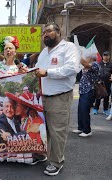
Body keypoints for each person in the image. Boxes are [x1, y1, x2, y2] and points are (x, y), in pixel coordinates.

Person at [0, 36, 42, 165]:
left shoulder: (21, 66)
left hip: (16, 106)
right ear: (3, 52)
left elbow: (30, 82)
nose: (8, 51)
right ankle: (0, 153)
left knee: (18, 128)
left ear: (15, 51)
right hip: (2, 105)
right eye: (6, 49)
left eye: (11, 48)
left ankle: (19, 154)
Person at [34, 23, 80, 176]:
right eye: (44, 33)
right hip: (42, 97)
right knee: (42, 130)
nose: (45, 34)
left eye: (49, 31)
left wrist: (47, 72)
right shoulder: (43, 53)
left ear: (58, 32)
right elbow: (37, 71)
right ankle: (42, 154)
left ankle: (56, 162)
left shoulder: (69, 48)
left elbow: (72, 68)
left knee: (57, 131)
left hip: (59, 97)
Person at [73, 55, 100, 137]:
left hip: (89, 90)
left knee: (85, 110)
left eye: (86, 57)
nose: (85, 59)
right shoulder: (88, 64)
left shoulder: (95, 64)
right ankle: (80, 127)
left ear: (91, 58)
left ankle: (87, 130)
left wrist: (77, 54)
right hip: (83, 90)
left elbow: (86, 65)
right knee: (80, 110)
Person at [93, 51, 112, 115]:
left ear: (109, 56)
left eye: (107, 55)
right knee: (98, 96)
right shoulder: (98, 63)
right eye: (104, 55)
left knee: (106, 96)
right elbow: (95, 72)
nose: (105, 56)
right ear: (102, 56)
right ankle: (96, 109)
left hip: (108, 82)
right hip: (99, 82)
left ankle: (105, 109)